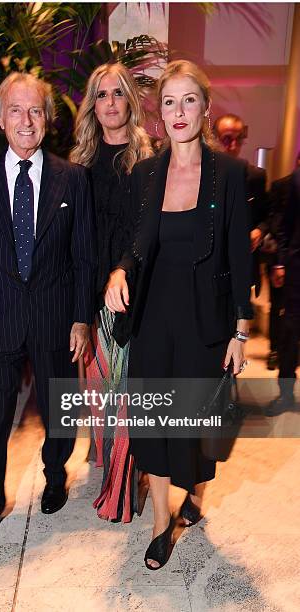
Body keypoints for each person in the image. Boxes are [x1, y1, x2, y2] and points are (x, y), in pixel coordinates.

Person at [105, 60, 252, 570]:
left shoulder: (229, 175)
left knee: (196, 423)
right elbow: (136, 242)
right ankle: (162, 524)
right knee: (155, 422)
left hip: (205, 322)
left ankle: (196, 494)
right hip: (153, 318)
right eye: (169, 102)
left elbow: (239, 255)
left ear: (205, 107)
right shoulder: (147, 174)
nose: (179, 111)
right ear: (160, 114)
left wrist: (240, 328)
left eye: (189, 100)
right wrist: (120, 272)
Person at [0, 72, 97, 553]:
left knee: (60, 406)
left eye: (35, 109)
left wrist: (82, 317)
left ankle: (55, 475)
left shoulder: (72, 179)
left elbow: (84, 255)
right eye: (15, 110)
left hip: (56, 315)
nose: (26, 119)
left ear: (48, 119)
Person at [70, 63, 152, 522]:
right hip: (88, 291)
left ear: (129, 102)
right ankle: (112, 463)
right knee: (100, 389)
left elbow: (147, 231)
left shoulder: (147, 161)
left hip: (131, 289)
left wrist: (122, 271)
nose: (110, 103)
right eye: (102, 95)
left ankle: (120, 485)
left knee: (124, 389)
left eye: (118, 94)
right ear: (93, 105)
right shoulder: (78, 163)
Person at [213, 113, 268, 301]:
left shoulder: (255, 176)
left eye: (239, 139)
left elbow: (266, 216)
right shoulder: (201, 175)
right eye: (227, 139)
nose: (233, 146)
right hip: (209, 265)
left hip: (242, 264)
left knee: (239, 323)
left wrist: (259, 231)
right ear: (215, 138)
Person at [265, 161, 300, 416]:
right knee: (289, 330)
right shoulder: (297, 179)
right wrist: (280, 262)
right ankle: (285, 393)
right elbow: (286, 225)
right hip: (297, 268)